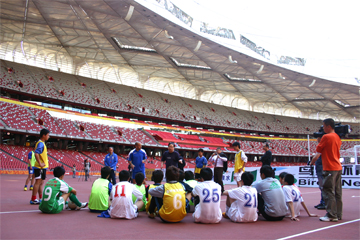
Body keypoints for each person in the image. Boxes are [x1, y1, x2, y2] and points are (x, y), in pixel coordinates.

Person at [310, 118, 342, 222]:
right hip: (338, 167)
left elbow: (318, 153)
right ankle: (338, 213)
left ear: (328, 126)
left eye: (324, 126)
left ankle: (331, 215)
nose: (323, 128)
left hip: (329, 167)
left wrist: (311, 162)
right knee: (337, 192)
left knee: (328, 191)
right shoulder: (337, 137)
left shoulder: (326, 137)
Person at [31, 129, 50, 205]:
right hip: (39, 167)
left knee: (41, 183)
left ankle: (40, 198)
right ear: (44, 135)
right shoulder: (41, 144)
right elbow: (36, 153)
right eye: (48, 135)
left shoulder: (42, 143)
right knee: (37, 183)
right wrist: (40, 163)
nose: (49, 136)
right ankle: (33, 199)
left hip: (42, 167)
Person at [314, 136, 325, 210]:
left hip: (322, 170)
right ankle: (322, 202)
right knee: (322, 187)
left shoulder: (322, 146)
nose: (317, 139)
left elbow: (317, 156)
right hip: (320, 169)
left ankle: (324, 203)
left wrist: (312, 162)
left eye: (318, 138)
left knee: (323, 187)